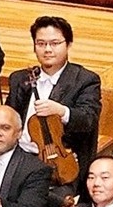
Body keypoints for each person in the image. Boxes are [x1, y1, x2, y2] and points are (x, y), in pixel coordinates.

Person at [7, 15, 106, 173]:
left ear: (68, 44)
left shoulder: (85, 80)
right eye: (41, 43)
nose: (47, 49)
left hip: (59, 165)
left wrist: (62, 111)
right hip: (19, 158)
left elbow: (88, 120)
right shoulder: (20, 78)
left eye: (54, 43)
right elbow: (9, 117)